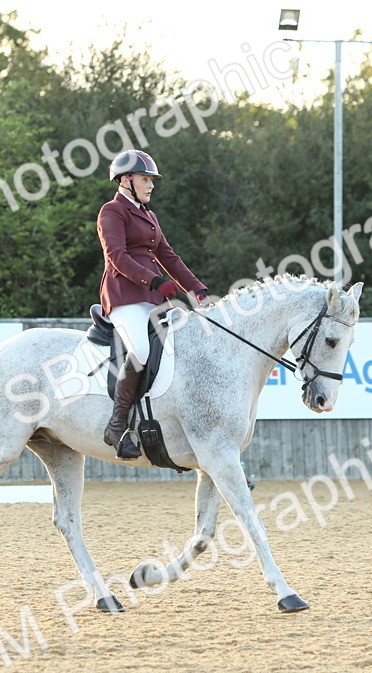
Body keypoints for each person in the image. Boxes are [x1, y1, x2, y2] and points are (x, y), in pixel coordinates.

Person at [97, 149, 210, 459]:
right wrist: (155, 281)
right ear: (126, 179)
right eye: (146, 179)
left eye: (151, 180)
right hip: (124, 297)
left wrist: (196, 289)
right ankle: (117, 426)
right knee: (142, 351)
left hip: (152, 298)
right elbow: (117, 257)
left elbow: (168, 256)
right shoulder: (112, 211)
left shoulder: (149, 215)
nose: (151, 185)